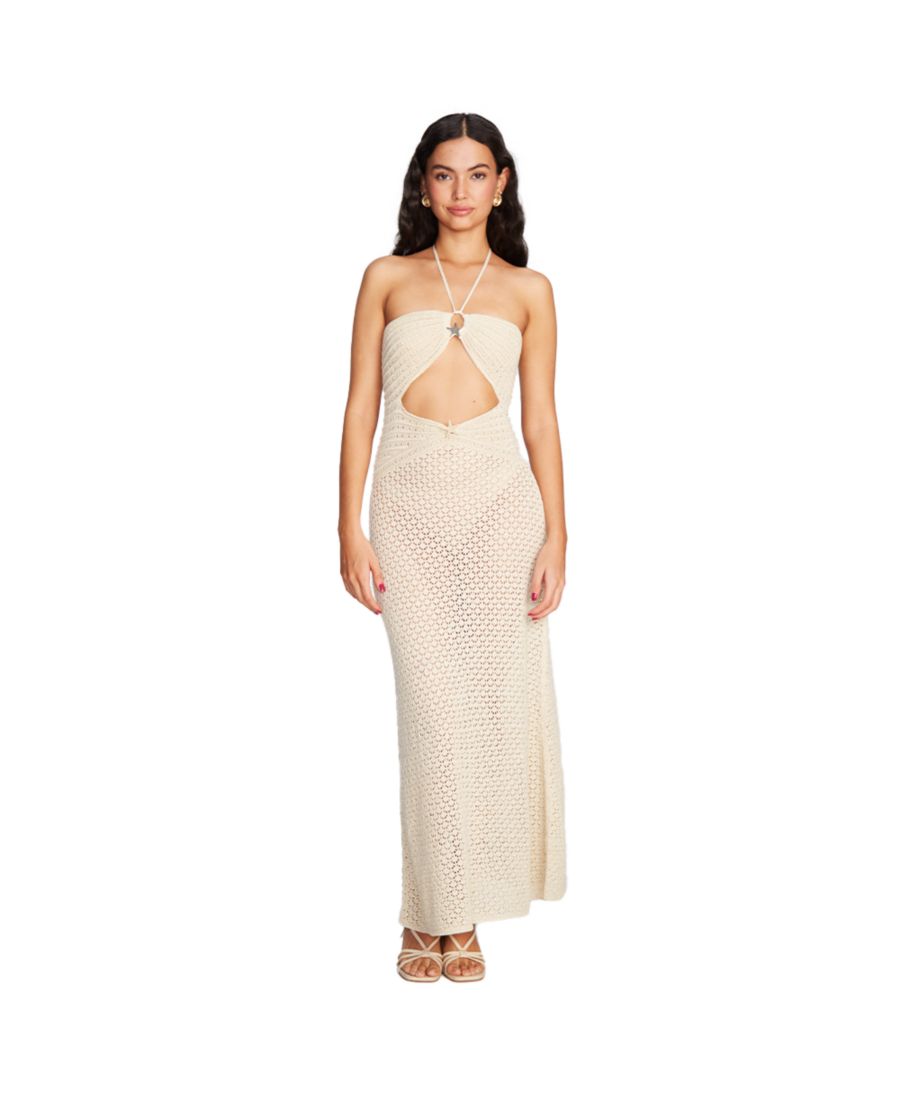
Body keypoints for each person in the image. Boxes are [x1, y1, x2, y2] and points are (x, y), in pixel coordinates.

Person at [338, 112, 568, 982]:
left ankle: (448, 915)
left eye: (477, 174)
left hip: (501, 513)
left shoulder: (530, 290)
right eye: (444, 174)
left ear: (501, 184)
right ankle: (434, 908)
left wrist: (558, 532)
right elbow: (359, 405)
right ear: (424, 185)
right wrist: (348, 524)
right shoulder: (387, 277)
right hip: (406, 511)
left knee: (488, 715)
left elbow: (540, 419)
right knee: (431, 713)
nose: (461, 190)